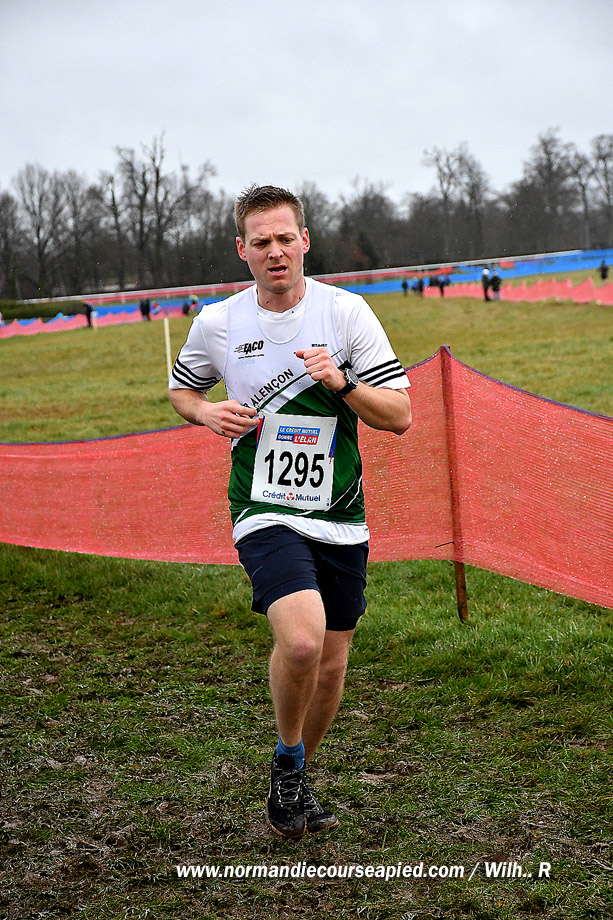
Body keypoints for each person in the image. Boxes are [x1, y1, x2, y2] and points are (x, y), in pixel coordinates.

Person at [168, 184, 411, 840]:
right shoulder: (218, 323)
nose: (274, 251)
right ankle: (288, 760)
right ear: (241, 249)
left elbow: (399, 416)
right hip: (263, 504)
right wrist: (205, 411)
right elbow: (181, 391)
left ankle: (293, 769)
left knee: (331, 663)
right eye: (261, 242)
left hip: (341, 509)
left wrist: (342, 382)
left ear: (304, 241)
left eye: (284, 238)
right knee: (302, 640)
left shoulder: (345, 314)